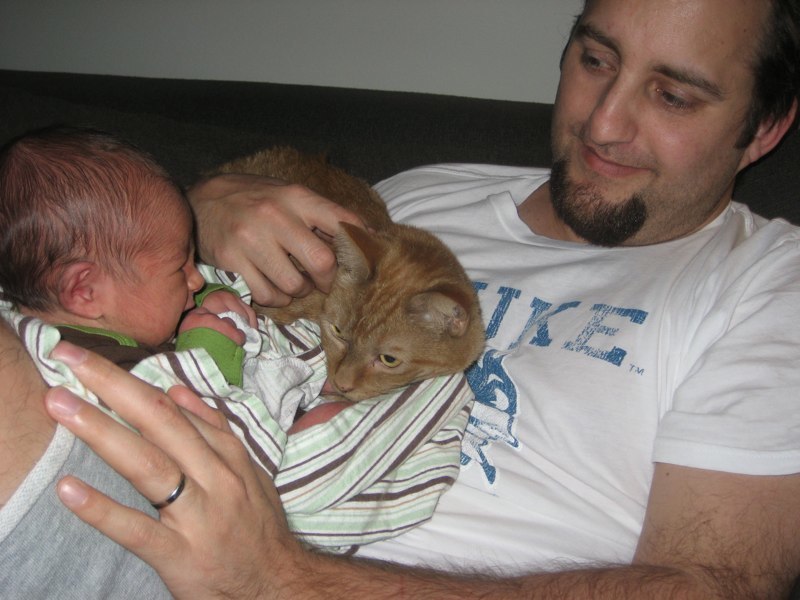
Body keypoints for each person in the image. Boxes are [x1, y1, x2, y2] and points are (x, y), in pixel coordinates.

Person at [7, 0, 800, 597]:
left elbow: (713, 587)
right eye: (596, 59)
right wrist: (206, 207)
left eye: (673, 96)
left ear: (765, 127)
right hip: (159, 492)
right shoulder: (423, 195)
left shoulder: (768, 284)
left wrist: (280, 576)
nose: (604, 122)